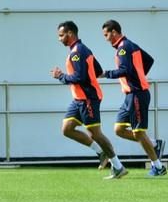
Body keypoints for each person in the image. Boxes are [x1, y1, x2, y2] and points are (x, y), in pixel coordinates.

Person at [50, 21, 127, 180]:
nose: (59, 39)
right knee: (67, 129)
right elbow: (97, 70)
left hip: (88, 99)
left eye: (61, 35)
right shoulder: (82, 50)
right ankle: (101, 153)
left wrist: (61, 77)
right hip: (78, 99)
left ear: (70, 34)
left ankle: (118, 166)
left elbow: (80, 77)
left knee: (96, 134)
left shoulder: (77, 52)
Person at [100, 19, 166, 177]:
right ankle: (154, 144)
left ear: (114, 32)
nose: (106, 38)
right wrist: (139, 75)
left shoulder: (124, 48)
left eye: (106, 34)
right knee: (119, 129)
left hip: (137, 94)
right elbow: (149, 60)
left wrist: (104, 74)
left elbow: (124, 70)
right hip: (130, 96)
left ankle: (158, 167)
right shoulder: (130, 45)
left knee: (138, 132)